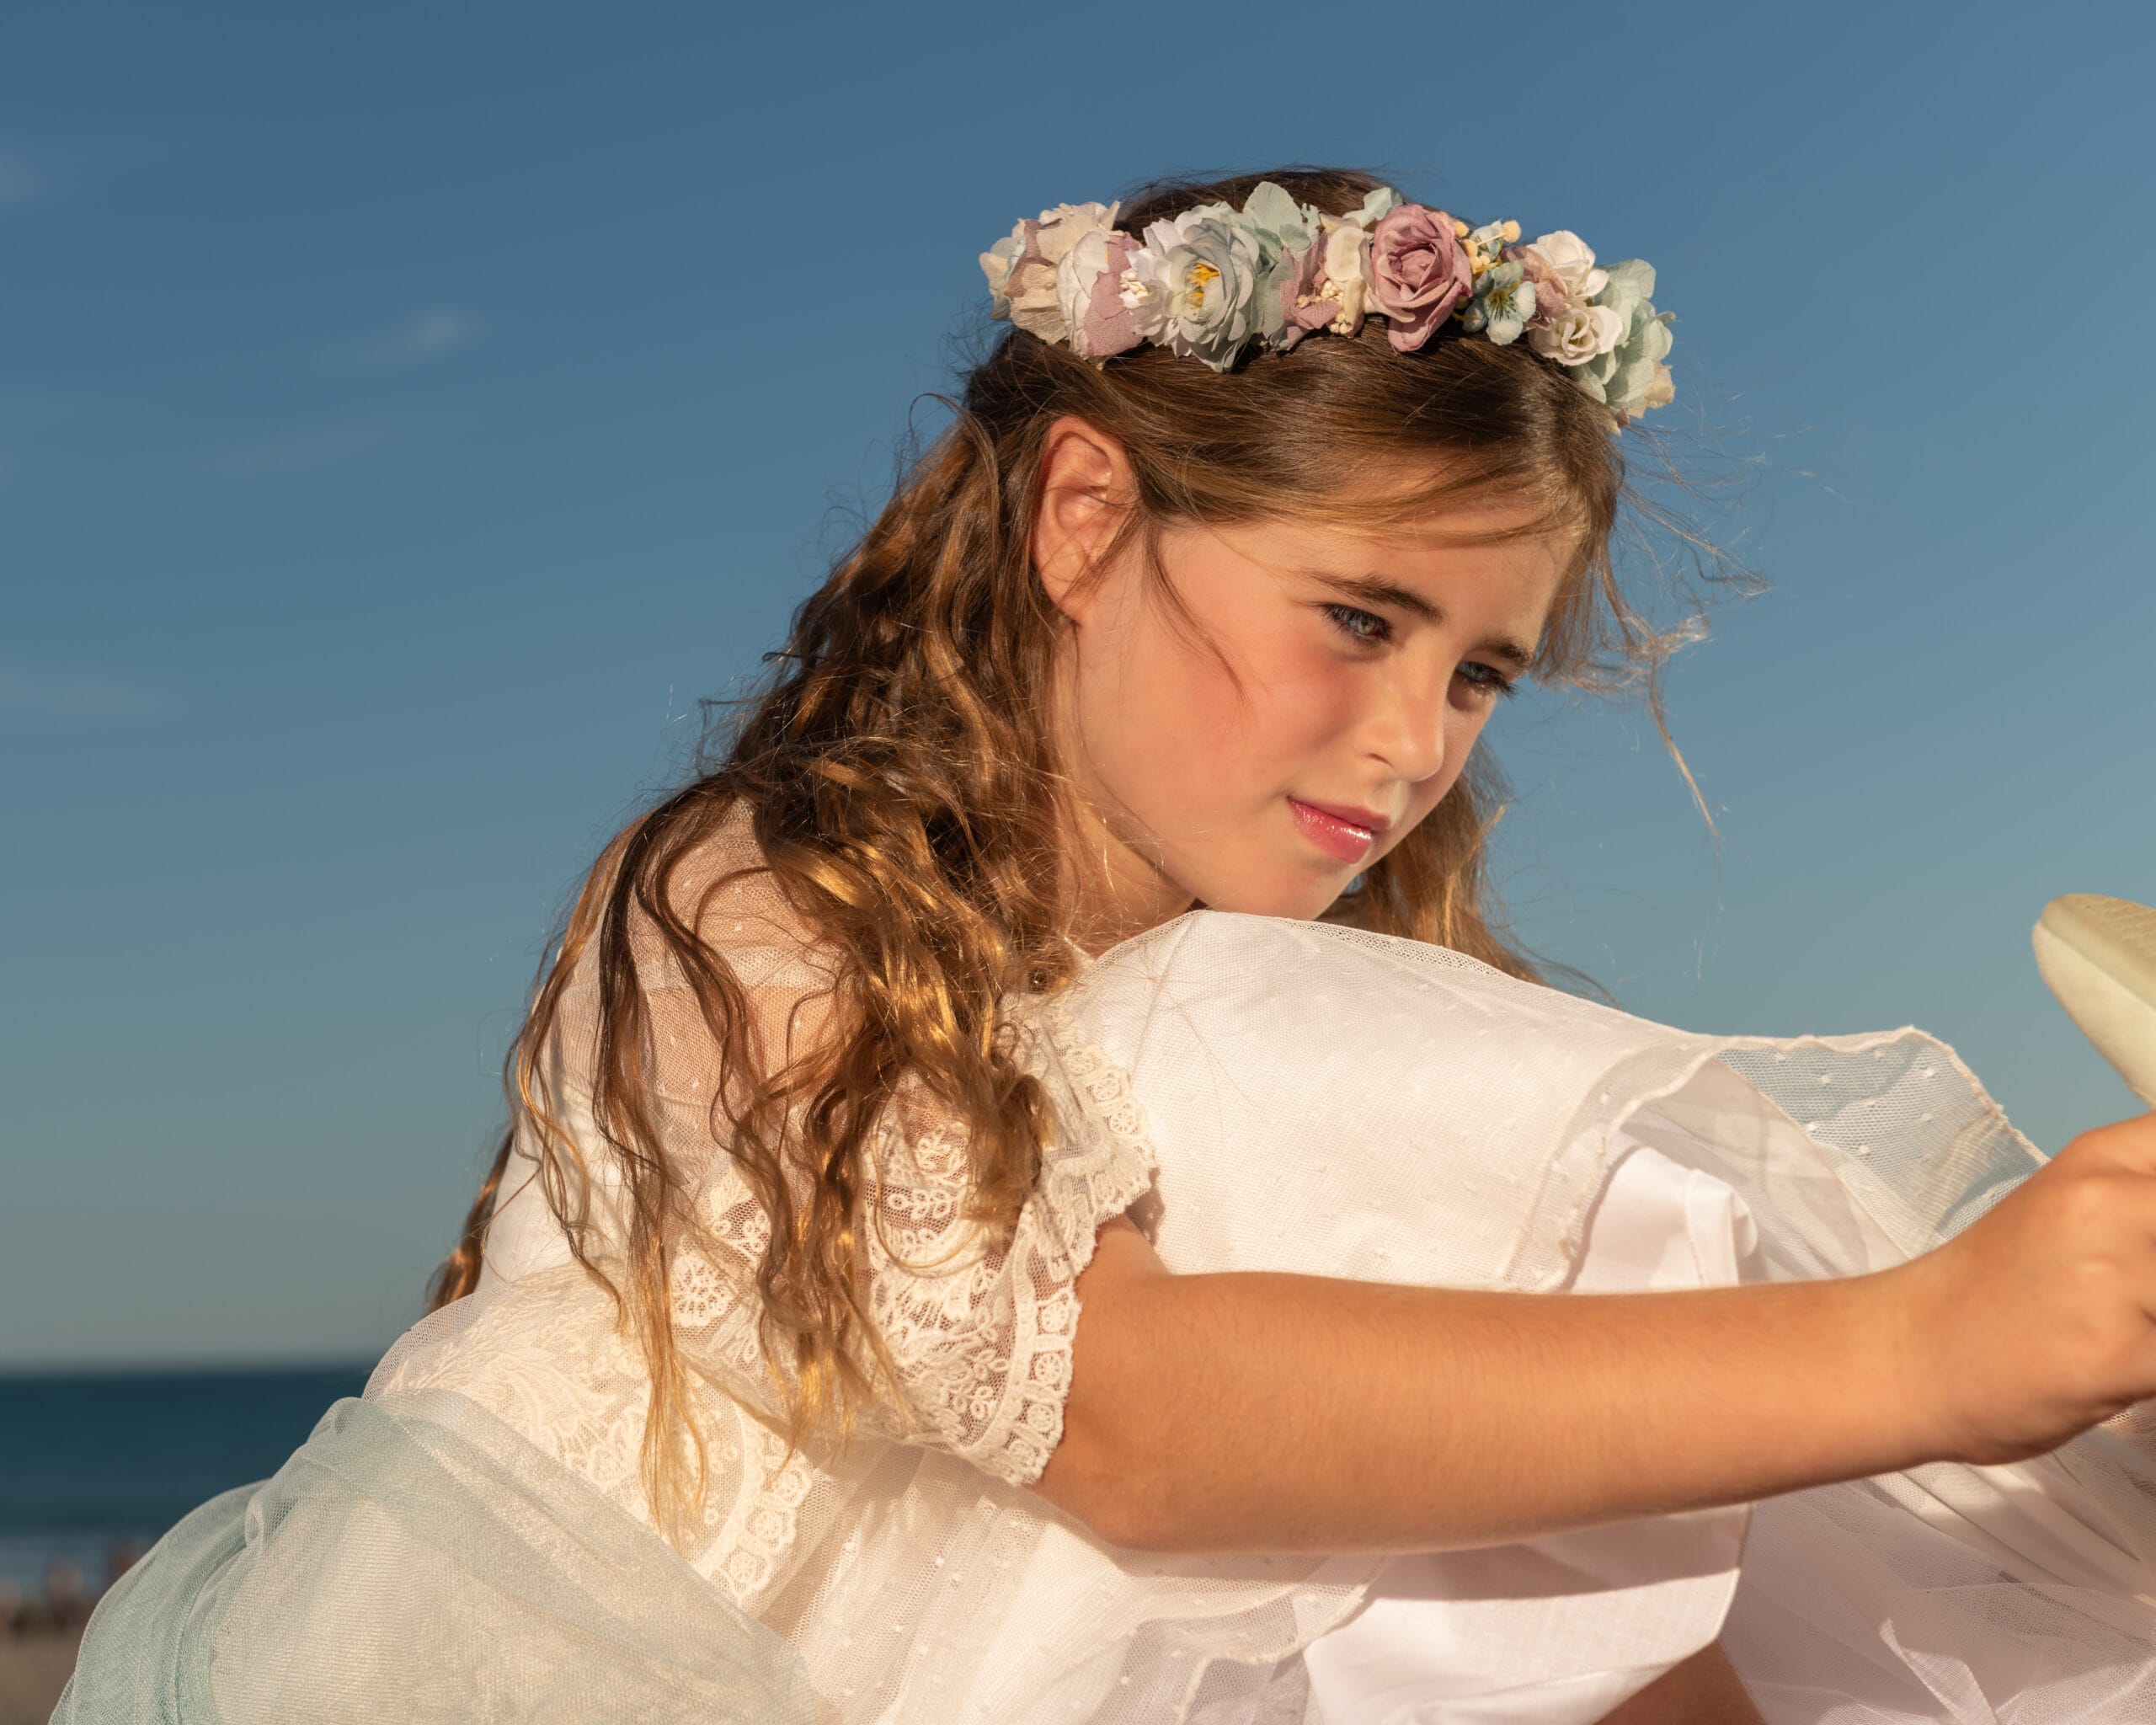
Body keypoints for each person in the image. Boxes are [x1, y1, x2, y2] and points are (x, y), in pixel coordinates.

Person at [55, 167, 2156, 1723]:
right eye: (1358, 618)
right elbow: (1127, 1421)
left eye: (1483, 674)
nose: (1413, 744)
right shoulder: (747, 894)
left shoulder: (1305, 1037)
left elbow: (1542, 1577)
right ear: (1081, 516)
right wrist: (1918, 1351)